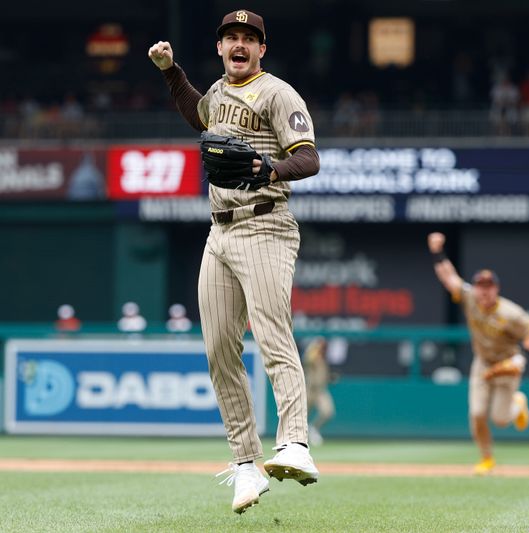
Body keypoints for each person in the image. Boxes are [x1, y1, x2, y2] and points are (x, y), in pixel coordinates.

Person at [148, 8, 320, 514]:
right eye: (231, 38)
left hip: (266, 223)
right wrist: (171, 73)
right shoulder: (220, 94)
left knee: (271, 335)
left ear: (262, 48)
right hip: (218, 232)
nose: (239, 45)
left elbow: (308, 158)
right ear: (220, 47)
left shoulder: (278, 92)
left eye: (249, 38)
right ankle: (246, 463)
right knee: (219, 346)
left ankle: (295, 443)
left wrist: (269, 167)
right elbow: (197, 114)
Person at [427, 232, 529, 475]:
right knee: (477, 414)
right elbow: (449, 278)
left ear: (496, 289)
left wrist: (521, 358)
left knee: (500, 419)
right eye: (481, 286)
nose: (484, 291)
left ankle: (518, 404)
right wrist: (437, 252)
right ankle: (487, 458)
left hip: (506, 366)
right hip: (482, 363)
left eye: (489, 287)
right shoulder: (469, 298)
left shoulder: (510, 313)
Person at [302, 337, 336, 446]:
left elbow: (323, 376)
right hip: (310, 390)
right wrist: (315, 346)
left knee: (328, 411)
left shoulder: (323, 360)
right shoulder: (312, 357)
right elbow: (307, 359)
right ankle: (299, 438)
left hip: (321, 391)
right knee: (302, 416)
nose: (322, 348)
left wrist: (331, 378)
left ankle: (313, 428)